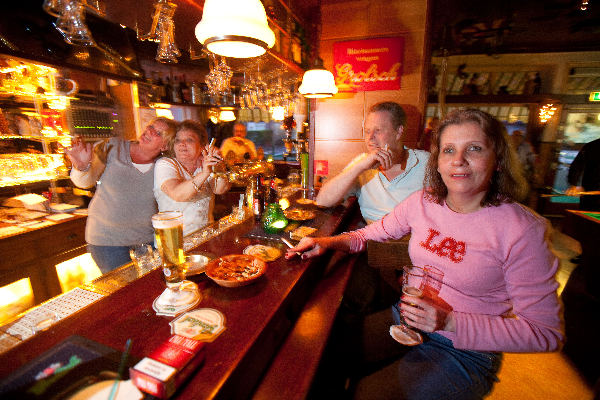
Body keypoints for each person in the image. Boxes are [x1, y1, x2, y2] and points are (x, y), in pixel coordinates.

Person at [288, 108, 563, 399]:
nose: (458, 160)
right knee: (323, 358)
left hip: (466, 351)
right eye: (448, 150)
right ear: (439, 161)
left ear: (497, 160)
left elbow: (545, 333)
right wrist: (327, 242)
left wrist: (450, 321)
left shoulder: (523, 229)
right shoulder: (424, 201)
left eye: (474, 148)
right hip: (407, 317)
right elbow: (368, 234)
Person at [67, 117, 178, 274]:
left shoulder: (165, 164)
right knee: (126, 291)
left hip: (146, 241)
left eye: (158, 133)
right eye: (151, 126)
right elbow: (85, 182)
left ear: (165, 145)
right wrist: (81, 167)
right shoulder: (112, 147)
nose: (150, 131)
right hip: (107, 242)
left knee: (149, 288)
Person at [316, 102, 430, 224]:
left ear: (398, 132)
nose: (370, 138)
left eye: (378, 130)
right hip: (375, 240)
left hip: (416, 240)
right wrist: (359, 167)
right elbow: (322, 201)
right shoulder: (362, 163)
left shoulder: (426, 162)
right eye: (367, 131)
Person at [154, 120, 231, 236]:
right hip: (174, 242)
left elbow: (220, 189)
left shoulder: (205, 165)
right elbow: (177, 194)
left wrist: (219, 165)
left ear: (202, 146)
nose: (182, 144)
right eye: (177, 140)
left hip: (206, 238)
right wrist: (205, 173)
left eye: (189, 140)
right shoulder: (165, 164)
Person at [565, 137, 600, 211]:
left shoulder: (591, 146)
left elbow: (576, 167)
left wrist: (573, 184)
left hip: (590, 194)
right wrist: (573, 185)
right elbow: (576, 167)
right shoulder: (591, 146)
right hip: (591, 194)